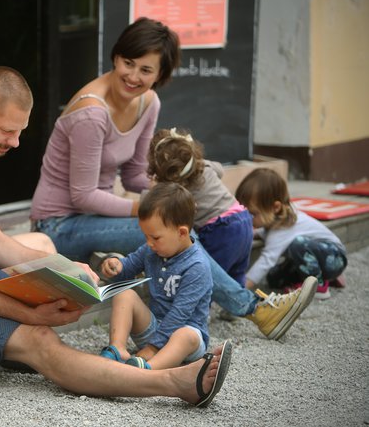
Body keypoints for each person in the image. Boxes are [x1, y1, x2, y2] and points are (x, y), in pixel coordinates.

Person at [0, 66, 232, 407]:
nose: (16, 143)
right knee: (38, 339)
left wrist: (65, 268)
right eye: (8, 131)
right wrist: (29, 314)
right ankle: (174, 382)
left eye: (20, 131)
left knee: (52, 269)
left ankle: (28, 349)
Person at [29, 17, 317, 341]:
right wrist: (145, 207)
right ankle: (255, 309)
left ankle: (196, 309)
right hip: (58, 224)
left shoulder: (148, 102)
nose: (133, 76)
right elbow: (82, 195)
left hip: (94, 217)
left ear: (160, 75)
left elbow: (135, 173)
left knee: (174, 224)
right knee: (169, 229)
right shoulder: (92, 114)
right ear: (115, 57)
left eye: (146, 70)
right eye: (128, 63)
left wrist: (181, 189)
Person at [99, 183, 212, 370]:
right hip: (153, 327)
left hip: (183, 339)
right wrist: (115, 266)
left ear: (182, 233)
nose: (149, 243)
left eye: (155, 238)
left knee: (186, 335)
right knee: (124, 294)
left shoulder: (197, 266)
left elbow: (180, 313)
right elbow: (127, 269)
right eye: (146, 237)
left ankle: (149, 369)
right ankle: (118, 349)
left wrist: (153, 347)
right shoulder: (152, 250)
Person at [148, 127, 253, 287]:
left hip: (220, 230)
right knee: (236, 274)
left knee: (206, 279)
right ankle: (240, 308)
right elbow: (220, 170)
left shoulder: (174, 191)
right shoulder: (204, 165)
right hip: (243, 219)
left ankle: (199, 310)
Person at [235, 168, 348, 300]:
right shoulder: (277, 217)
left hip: (335, 257)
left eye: (253, 214)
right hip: (319, 257)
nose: (248, 218)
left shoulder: (283, 228)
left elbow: (265, 261)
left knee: (298, 244)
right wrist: (256, 233)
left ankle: (319, 288)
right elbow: (267, 231)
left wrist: (241, 289)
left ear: (276, 207)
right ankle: (323, 276)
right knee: (273, 279)